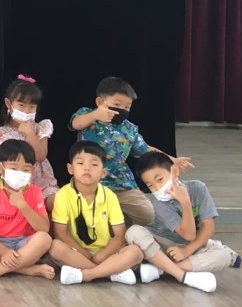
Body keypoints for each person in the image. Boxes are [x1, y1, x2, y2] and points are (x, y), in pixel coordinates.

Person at [70, 76, 193, 226]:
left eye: (127, 107)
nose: (122, 109)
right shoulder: (87, 115)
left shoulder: (129, 128)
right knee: (83, 218)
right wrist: (95, 115)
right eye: (117, 104)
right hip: (88, 181)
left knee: (147, 215)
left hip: (121, 183)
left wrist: (172, 159)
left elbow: (146, 149)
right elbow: (76, 124)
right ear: (100, 102)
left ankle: (118, 221)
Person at [125, 151, 236, 292]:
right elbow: (188, 234)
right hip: (160, 245)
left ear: (174, 171)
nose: (158, 188)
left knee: (223, 256)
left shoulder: (198, 188)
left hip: (187, 245)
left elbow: (208, 226)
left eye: (160, 179)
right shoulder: (159, 204)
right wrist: (185, 202)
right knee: (134, 232)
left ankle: (159, 270)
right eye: (150, 185)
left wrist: (186, 251)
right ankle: (178, 272)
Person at [48, 141, 143, 286]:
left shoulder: (109, 196)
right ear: (70, 168)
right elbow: (60, 233)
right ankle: (111, 272)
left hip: (105, 253)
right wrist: (86, 254)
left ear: (103, 172)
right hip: (77, 253)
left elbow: (119, 235)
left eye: (94, 164)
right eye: (80, 163)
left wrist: (100, 257)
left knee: (135, 252)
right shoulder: (62, 195)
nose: (87, 168)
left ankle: (87, 275)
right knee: (55, 247)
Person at [0, 139, 54, 280]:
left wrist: (23, 206)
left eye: (26, 169)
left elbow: (44, 228)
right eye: (13, 168)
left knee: (44, 239)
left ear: (32, 170)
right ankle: (26, 269)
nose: (20, 173)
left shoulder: (35, 191)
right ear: (0, 167)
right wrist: (4, 251)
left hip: (24, 243)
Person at [0, 75, 59, 210]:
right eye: (21, 105)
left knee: (56, 203)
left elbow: (41, 156)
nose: (26, 111)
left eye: (32, 107)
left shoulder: (40, 128)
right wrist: (16, 183)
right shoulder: (0, 133)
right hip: (13, 184)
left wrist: (30, 133)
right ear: (9, 104)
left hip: (42, 183)